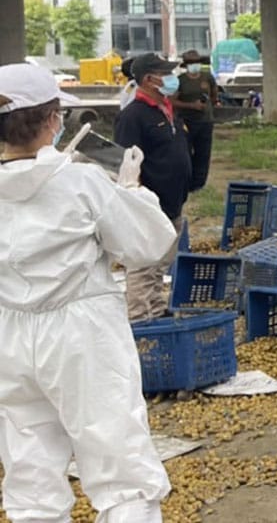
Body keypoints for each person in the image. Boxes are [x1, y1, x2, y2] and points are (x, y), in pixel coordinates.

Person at [0, 62, 177, 523]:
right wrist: (131, 191)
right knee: (121, 470)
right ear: (51, 120)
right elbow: (148, 244)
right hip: (81, 334)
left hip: (11, 336)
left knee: (30, 471)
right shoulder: (80, 182)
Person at [113, 53, 193, 322]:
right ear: (149, 79)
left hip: (173, 201)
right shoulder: (133, 116)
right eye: (166, 73)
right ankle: (139, 318)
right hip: (149, 205)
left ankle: (156, 309)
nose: (173, 78)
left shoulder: (167, 108)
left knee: (160, 263)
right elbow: (126, 163)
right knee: (143, 265)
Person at [173, 50, 219, 192]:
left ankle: (199, 183)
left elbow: (214, 95)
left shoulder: (208, 78)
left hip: (205, 121)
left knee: (203, 153)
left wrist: (208, 106)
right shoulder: (181, 80)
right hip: (186, 121)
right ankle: (186, 180)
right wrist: (192, 106)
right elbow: (173, 101)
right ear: (186, 65)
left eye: (196, 62)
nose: (195, 65)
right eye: (191, 63)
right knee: (185, 152)